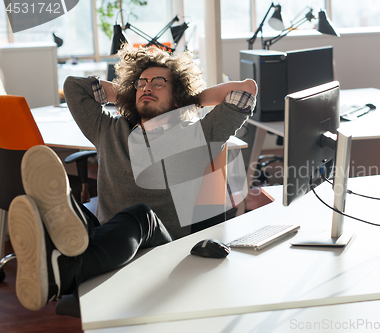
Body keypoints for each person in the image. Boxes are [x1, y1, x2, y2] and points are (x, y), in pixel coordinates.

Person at [9, 46, 257, 311]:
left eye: (159, 82)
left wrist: (187, 99)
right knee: (77, 214)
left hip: (161, 248)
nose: (147, 87)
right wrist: (132, 92)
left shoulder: (198, 136)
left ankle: (67, 271)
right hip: (106, 241)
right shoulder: (107, 129)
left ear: (177, 97)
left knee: (140, 215)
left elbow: (246, 90)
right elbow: (74, 86)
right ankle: (55, 259)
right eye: (142, 83)